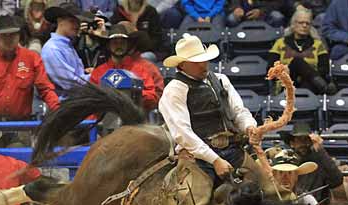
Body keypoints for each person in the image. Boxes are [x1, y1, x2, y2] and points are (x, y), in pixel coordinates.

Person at [159, 34, 257, 186]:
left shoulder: (221, 79)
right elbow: (183, 133)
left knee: (271, 189)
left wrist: (249, 127)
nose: (202, 65)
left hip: (233, 150)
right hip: (197, 158)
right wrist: (215, 160)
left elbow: (239, 112)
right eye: (196, 62)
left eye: (204, 60)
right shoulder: (174, 90)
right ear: (182, 65)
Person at [0, 16, 60, 125]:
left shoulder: (32, 58)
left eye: (12, 35)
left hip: (21, 122)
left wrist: (57, 110)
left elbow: (45, 89)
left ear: (19, 36)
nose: (8, 39)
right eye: (4, 35)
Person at [90, 23, 163, 111]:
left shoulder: (141, 70)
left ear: (128, 45)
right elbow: (90, 99)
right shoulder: (98, 72)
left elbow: (152, 96)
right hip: (105, 119)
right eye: (115, 42)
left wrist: (133, 95)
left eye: (122, 42)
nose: (119, 46)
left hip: (135, 118)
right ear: (108, 45)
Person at [268, 8, 335, 95]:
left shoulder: (318, 44)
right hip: (286, 84)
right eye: (301, 22)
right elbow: (270, 69)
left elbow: (324, 70)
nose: (304, 25)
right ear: (293, 24)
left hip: (311, 86)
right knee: (296, 61)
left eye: (307, 23)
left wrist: (305, 74)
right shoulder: (280, 43)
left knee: (301, 69)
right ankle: (324, 87)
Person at [42, 2, 92, 96]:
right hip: (65, 106)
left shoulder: (66, 45)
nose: (77, 25)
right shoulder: (52, 49)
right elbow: (70, 84)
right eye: (72, 21)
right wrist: (96, 76)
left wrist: (86, 72)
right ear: (60, 20)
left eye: (78, 22)